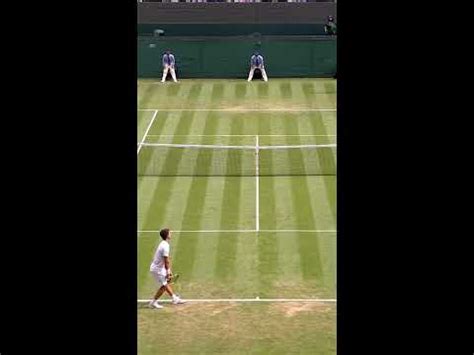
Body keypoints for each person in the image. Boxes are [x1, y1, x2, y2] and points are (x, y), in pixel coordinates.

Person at [149, 228, 186, 309]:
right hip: (157, 269)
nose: (171, 234)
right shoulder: (165, 246)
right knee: (164, 285)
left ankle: (174, 298)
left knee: (166, 283)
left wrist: (168, 271)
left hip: (159, 268)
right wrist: (168, 272)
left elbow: (165, 261)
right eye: (170, 233)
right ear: (167, 235)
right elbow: (166, 260)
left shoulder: (163, 243)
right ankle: (153, 302)